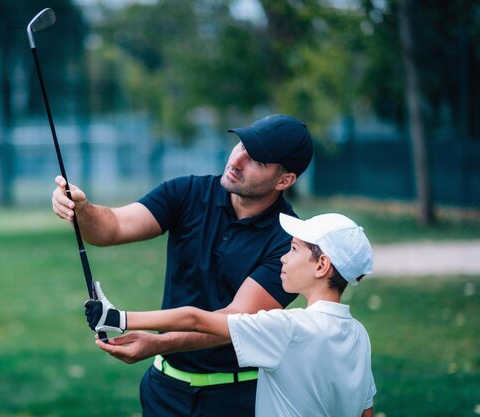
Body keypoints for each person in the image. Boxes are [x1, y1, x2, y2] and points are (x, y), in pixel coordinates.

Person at [52, 114, 313, 416]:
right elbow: (113, 228)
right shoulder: (187, 193)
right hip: (163, 390)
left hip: (238, 397)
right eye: (241, 144)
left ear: (284, 180)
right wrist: (82, 209)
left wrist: (158, 343)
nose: (238, 159)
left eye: (257, 159)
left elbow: (231, 325)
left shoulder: (291, 242)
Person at [85, 212, 377, 417]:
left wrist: (117, 319)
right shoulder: (359, 335)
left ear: (321, 265)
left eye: (294, 249)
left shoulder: (288, 328)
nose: (284, 258)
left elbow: (195, 319)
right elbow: (365, 409)